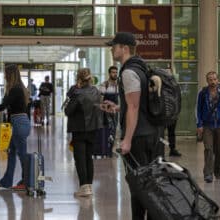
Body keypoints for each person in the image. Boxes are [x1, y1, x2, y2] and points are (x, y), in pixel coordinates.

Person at [102, 32, 164, 220]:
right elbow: (137, 103)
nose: (112, 49)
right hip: (152, 134)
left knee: (138, 185)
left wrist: (127, 140)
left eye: (115, 46)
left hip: (138, 137)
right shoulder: (141, 67)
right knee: (150, 184)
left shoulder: (128, 72)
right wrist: (120, 107)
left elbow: (135, 107)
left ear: (125, 48)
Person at [0, 64, 30, 191]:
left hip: (18, 123)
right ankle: (7, 181)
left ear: (10, 75)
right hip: (18, 122)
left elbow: (3, 106)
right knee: (12, 153)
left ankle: (27, 181)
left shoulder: (15, 89)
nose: (5, 76)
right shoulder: (20, 88)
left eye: (6, 74)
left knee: (22, 154)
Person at [64, 68, 103, 197]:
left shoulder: (77, 93)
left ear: (79, 79)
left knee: (80, 158)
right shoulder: (96, 91)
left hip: (79, 129)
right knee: (88, 157)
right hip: (92, 128)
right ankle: (89, 187)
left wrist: (71, 94)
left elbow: (68, 111)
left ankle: (83, 187)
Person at [196, 71, 220, 183]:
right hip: (207, 125)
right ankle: (208, 174)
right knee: (208, 149)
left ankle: (218, 172)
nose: (213, 82)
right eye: (210, 79)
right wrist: (199, 125)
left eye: (215, 79)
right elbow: (197, 109)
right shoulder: (202, 93)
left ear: (218, 80)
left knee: (219, 150)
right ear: (207, 81)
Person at [99, 66, 119, 156]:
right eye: (113, 72)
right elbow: (101, 99)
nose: (115, 74)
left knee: (114, 130)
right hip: (107, 112)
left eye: (116, 72)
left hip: (116, 111)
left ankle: (110, 150)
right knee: (108, 130)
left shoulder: (118, 85)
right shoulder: (104, 84)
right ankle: (106, 150)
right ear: (109, 73)